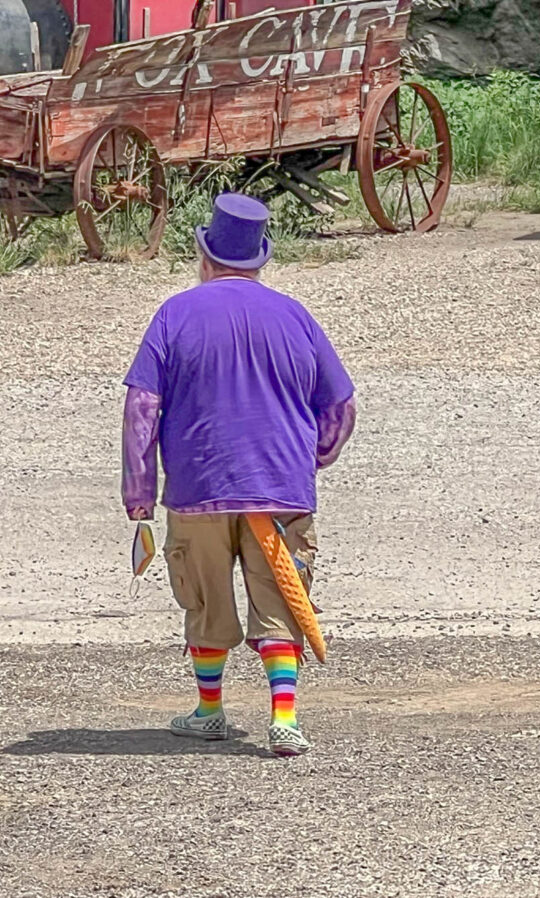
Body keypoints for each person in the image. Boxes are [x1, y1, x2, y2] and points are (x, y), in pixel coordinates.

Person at [121, 193, 356, 757]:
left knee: (203, 597)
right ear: (260, 261)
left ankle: (209, 711)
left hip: (199, 487)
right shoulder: (296, 317)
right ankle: (284, 719)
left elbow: (141, 408)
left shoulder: (175, 314)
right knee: (280, 592)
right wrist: (309, 458)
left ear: (205, 257)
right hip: (280, 487)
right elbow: (341, 405)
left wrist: (139, 496)